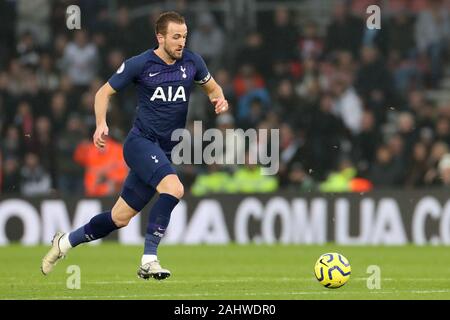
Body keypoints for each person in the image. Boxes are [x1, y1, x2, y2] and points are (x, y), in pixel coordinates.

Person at [41, 11, 229, 280]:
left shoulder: (192, 61)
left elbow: (213, 88)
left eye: (184, 36)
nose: (181, 42)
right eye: (176, 37)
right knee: (174, 188)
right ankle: (149, 259)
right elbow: (102, 93)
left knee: (119, 218)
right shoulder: (140, 64)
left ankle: (65, 242)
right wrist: (101, 123)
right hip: (140, 143)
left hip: (163, 150)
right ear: (160, 37)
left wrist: (219, 100)